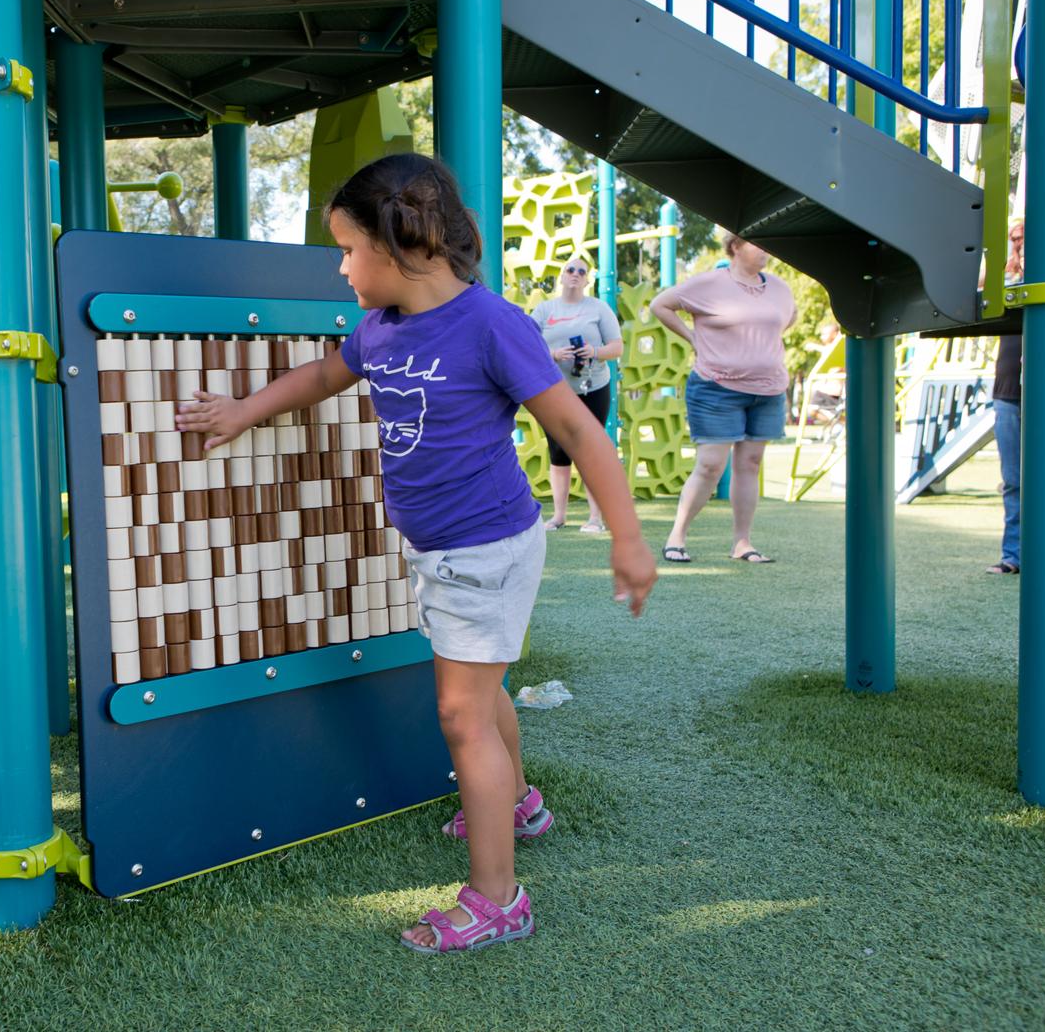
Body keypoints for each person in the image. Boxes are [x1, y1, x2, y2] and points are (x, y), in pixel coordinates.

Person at [175, 153, 657, 954]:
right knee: (485, 683)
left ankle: (498, 899)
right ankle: (519, 803)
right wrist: (242, 411)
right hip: (443, 551)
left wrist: (630, 540)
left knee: (459, 714)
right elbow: (324, 375)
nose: (340, 266)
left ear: (405, 247)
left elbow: (575, 428)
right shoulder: (380, 329)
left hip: (485, 547)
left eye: (348, 248)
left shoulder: (492, 324)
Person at [649, 233, 798, 564]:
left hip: (769, 390)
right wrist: (692, 337)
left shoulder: (779, 287)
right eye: (758, 243)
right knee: (711, 465)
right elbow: (660, 305)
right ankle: (677, 536)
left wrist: (756, 347)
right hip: (717, 387)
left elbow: (788, 318)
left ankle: (742, 543)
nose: (766, 250)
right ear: (735, 246)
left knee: (751, 464)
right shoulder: (708, 284)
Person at [528, 256, 625, 532]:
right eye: (570, 269)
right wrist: (554, 355)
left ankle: (595, 518)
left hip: (592, 387)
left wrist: (594, 352)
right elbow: (527, 346)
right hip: (555, 391)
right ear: (561, 276)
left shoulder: (598, 308)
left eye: (581, 271)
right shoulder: (545, 310)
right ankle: (559, 516)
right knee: (559, 452)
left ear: (587, 280)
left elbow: (617, 347)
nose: (575, 274)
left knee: (590, 451)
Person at [987, 218, 1025, 575]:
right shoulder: (1008, 280)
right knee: (1013, 479)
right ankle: (1013, 555)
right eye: (1016, 239)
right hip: (1009, 392)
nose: (1020, 244)